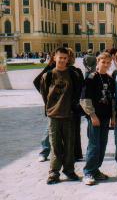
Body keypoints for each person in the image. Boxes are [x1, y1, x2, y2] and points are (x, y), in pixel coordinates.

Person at [39, 47, 82, 184]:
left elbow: (77, 92)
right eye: (60, 58)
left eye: (65, 58)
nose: (62, 60)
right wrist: (51, 108)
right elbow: (44, 93)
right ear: (54, 58)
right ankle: (54, 172)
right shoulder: (48, 75)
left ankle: (69, 170)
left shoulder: (72, 74)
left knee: (69, 145)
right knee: (55, 145)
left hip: (69, 115)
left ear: (68, 59)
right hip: (54, 115)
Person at [80, 52, 115, 186]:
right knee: (94, 145)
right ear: (98, 62)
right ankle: (88, 172)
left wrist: (113, 117)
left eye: (108, 63)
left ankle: (95, 170)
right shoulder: (91, 78)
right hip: (95, 117)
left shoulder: (110, 79)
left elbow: (112, 100)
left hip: (106, 117)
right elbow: (84, 99)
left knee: (103, 144)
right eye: (103, 62)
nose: (105, 65)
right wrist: (92, 115)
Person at [33, 52, 56, 162]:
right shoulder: (51, 67)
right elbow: (37, 81)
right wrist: (46, 97)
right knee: (50, 128)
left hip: (65, 105)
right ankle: (44, 151)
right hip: (53, 106)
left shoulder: (68, 69)